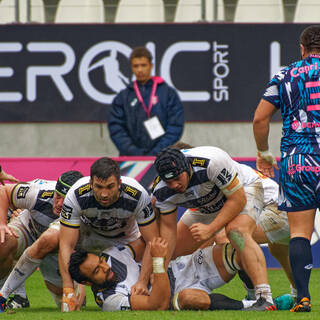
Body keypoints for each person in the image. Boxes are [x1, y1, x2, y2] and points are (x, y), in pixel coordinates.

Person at [152, 146, 276, 311]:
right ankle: (251, 300)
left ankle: (264, 297)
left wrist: (211, 229)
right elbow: (168, 231)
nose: (174, 185)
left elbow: (237, 200)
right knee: (172, 251)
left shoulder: (211, 162)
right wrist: (161, 271)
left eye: (177, 178)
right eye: (168, 181)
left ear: (187, 167)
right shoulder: (161, 190)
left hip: (242, 190)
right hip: (206, 204)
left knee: (236, 232)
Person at [252, 25, 320, 312]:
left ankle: (303, 298)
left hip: (298, 160)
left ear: (301, 48)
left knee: (300, 233)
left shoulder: (285, 74)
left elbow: (260, 119)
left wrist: (264, 153)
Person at [68, 237, 294, 312]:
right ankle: (249, 307)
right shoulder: (110, 301)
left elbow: (147, 240)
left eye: (99, 262)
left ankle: (260, 299)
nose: (105, 267)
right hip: (174, 295)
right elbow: (158, 303)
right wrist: (157, 262)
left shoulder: (111, 255)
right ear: (87, 283)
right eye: (97, 271)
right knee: (190, 299)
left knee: (235, 249)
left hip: (182, 268)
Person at [58, 157, 159, 312]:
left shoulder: (137, 194)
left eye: (110, 187)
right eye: (98, 187)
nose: (104, 194)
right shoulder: (76, 195)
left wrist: (142, 282)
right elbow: (66, 244)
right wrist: (68, 289)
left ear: (119, 183)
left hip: (125, 239)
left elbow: (152, 240)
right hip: (89, 237)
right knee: (51, 238)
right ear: (91, 183)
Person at [0, 171, 84, 312]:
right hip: (29, 230)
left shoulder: (86, 208)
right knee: (2, 241)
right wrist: (2, 223)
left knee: (73, 303)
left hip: (59, 249)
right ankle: (10, 294)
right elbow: (3, 191)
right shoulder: (39, 192)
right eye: (58, 196)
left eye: (66, 200)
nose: (60, 203)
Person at [108, 46, 184, 156]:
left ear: (151, 66)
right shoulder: (123, 96)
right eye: (136, 66)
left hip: (163, 157)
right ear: (131, 67)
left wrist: (157, 152)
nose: (139, 70)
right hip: (130, 159)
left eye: (143, 65)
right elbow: (116, 128)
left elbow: (175, 125)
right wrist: (134, 152)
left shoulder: (168, 93)